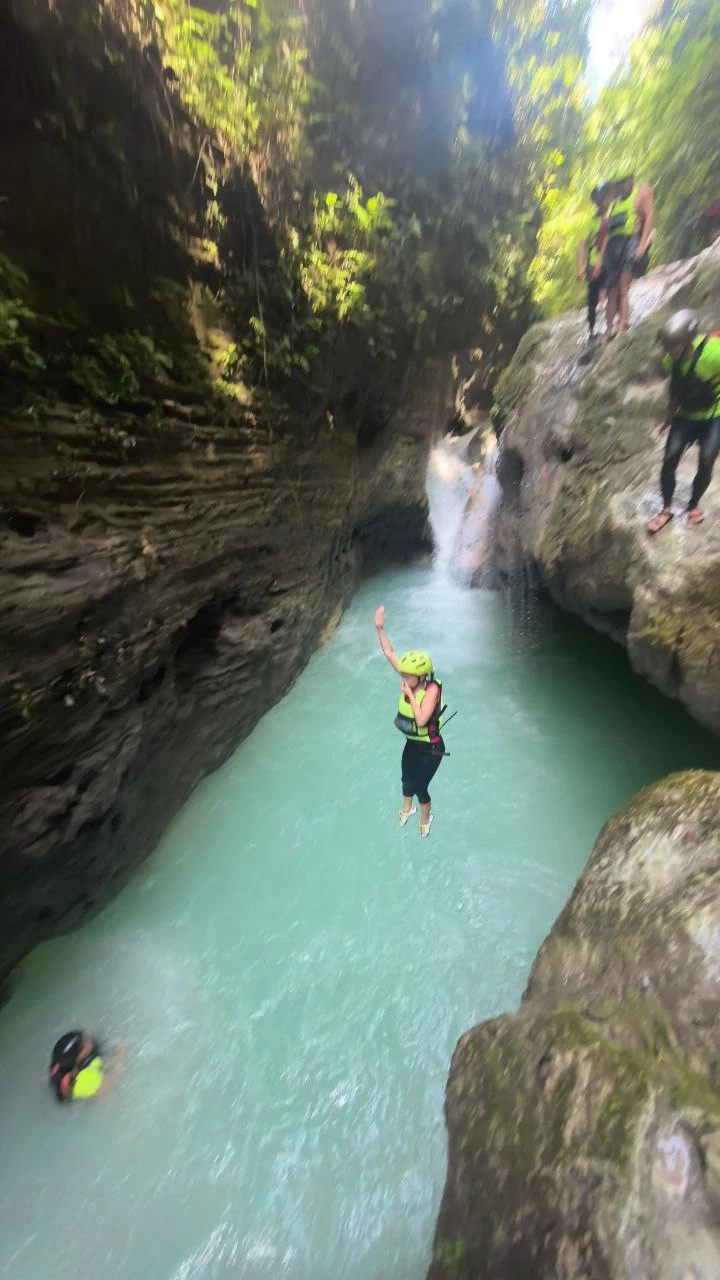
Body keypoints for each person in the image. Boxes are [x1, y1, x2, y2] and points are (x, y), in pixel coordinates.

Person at [374, 605, 445, 838]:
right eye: (403, 674)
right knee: (406, 780)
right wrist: (380, 628)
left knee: (419, 786)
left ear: (421, 676)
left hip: (431, 747)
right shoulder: (410, 679)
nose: (403, 677)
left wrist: (411, 695)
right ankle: (408, 808)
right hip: (413, 743)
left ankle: (426, 818)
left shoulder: (430, 690)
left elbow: (422, 719)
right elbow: (390, 653)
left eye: (408, 675)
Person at [648, 309, 720, 533]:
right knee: (670, 458)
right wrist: (669, 416)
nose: (669, 352)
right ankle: (666, 509)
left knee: (706, 460)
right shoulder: (671, 360)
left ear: (687, 342)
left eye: (674, 347)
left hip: (713, 417)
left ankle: (693, 506)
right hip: (685, 416)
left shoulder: (713, 354)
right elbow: (676, 387)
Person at [600, 175, 654, 342]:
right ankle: (609, 329)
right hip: (612, 249)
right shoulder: (614, 204)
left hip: (629, 244)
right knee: (611, 292)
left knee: (623, 288)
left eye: (621, 183)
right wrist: (601, 258)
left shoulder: (641, 193)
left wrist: (642, 245)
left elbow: (650, 217)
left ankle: (622, 324)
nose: (618, 187)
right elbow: (607, 235)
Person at [48, 1030, 123, 1102]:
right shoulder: (85, 1081)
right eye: (84, 1044)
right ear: (79, 1057)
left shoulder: (63, 1060)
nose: (88, 1041)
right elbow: (104, 1091)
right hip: (84, 1094)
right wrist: (120, 1055)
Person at [577, 182, 609, 342]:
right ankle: (592, 329)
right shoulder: (591, 222)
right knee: (592, 299)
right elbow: (582, 244)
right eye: (599, 197)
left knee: (614, 292)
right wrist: (581, 267)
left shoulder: (616, 215)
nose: (601, 200)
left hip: (612, 262)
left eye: (603, 195)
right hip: (595, 265)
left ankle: (612, 325)